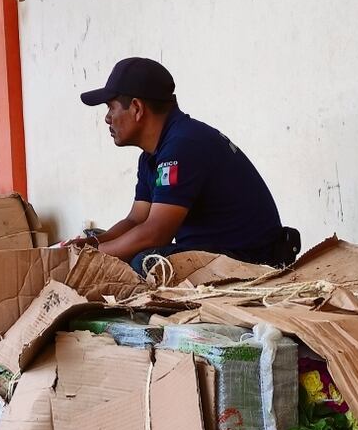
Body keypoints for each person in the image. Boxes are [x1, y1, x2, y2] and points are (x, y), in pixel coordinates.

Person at [75, 57, 297, 275]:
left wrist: (88, 259)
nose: (107, 118)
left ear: (136, 108)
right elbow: (136, 220)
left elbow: (155, 234)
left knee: (144, 263)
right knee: (130, 254)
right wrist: (87, 245)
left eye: (111, 108)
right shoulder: (153, 155)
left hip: (250, 259)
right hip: (213, 254)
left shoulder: (184, 145)